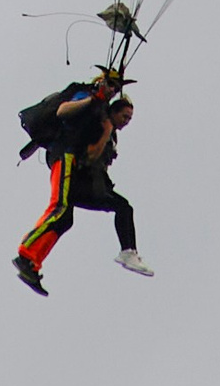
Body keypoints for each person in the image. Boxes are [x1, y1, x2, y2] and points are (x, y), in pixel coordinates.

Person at [14, 88, 151, 294]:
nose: (126, 122)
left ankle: (128, 251)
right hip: (66, 160)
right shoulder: (95, 114)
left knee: (117, 208)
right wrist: (101, 111)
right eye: (124, 116)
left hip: (81, 180)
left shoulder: (108, 129)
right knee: (60, 209)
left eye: (129, 119)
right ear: (114, 111)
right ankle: (25, 254)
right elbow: (67, 118)